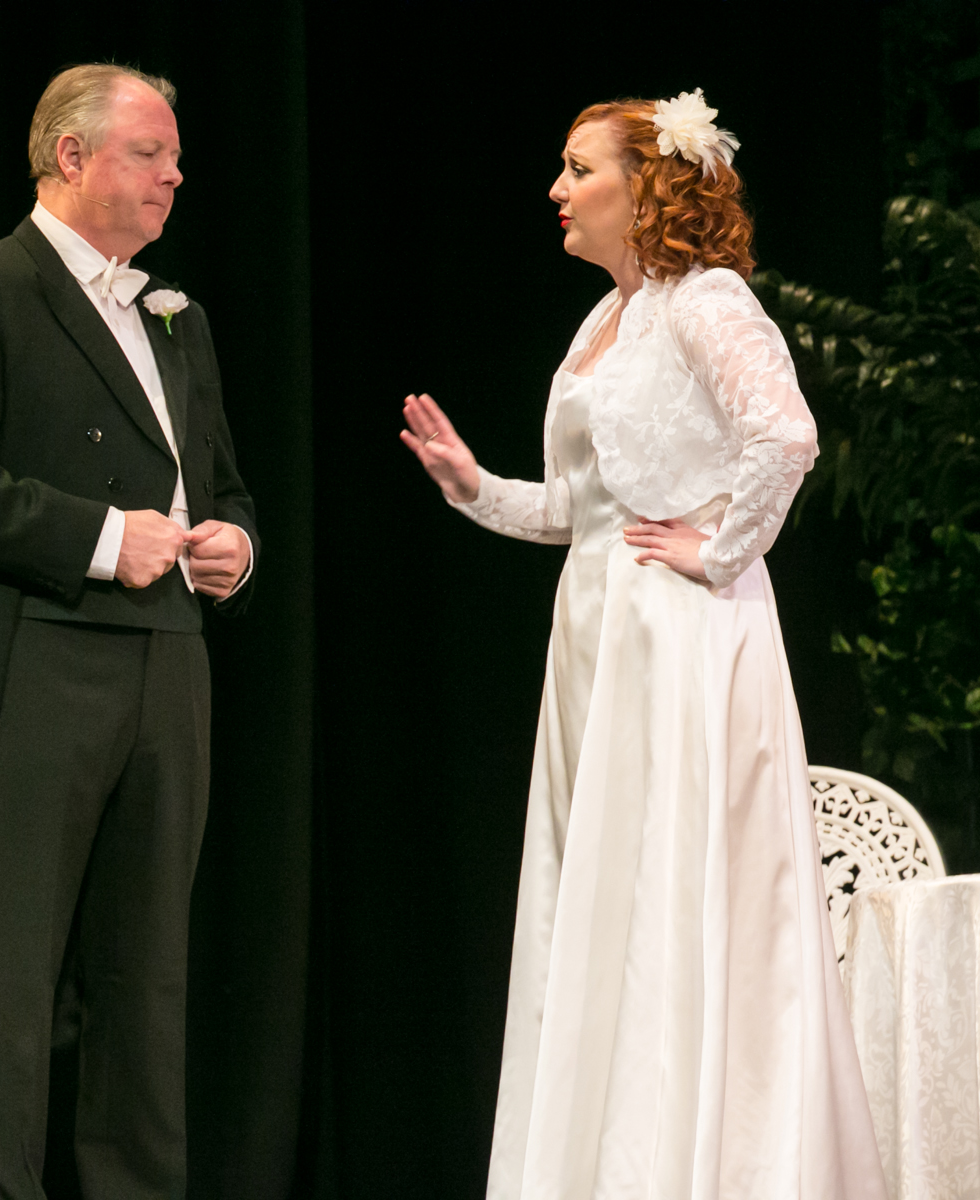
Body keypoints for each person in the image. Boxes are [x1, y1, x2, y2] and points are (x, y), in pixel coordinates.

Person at [401, 91, 887, 1198]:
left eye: (580, 170)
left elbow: (787, 434)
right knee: (601, 896)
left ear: (649, 186)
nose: (558, 190)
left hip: (678, 636)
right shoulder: (601, 322)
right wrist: (475, 487)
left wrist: (721, 550)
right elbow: (579, 512)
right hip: (595, 634)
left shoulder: (704, 301)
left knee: (674, 891)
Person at [0, 63, 259, 1199]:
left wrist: (235, 545)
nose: (174, 175)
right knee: (9, 966)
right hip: (40, 654)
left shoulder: (175, 314)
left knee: (146, 972)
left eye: (176, 157)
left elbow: (220, 485)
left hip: (169, 660)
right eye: (150, 153)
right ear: (71, 157)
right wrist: (102, 537)